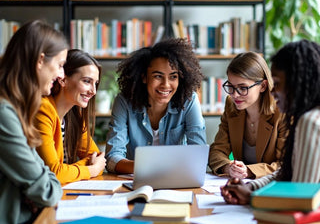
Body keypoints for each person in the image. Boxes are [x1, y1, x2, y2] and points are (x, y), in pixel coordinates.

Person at [220, 40, 320, 224]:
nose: (274, 91)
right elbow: (289, 173)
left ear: (298, 82)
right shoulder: (308, 117)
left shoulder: (311, 122)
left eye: (278, 83)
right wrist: (252, 187)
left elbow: (300, 199)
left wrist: (253, 197)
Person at [0, 20, 67, 224]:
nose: (61, 76)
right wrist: (39, 187)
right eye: (59, 65)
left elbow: (42, 176)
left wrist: (39, 185)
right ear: (40, 61)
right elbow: (46, 191)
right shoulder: (4, 114)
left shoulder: (17, 110)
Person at [105, 38, 207, 174]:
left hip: (176, 180)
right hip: (136, 180)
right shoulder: (124, 102)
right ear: (144, 77)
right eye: (158, 76)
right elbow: (112, 158)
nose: (166, 84)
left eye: (173, 77)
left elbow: (198, 153)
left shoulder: (188, 100)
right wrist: (148, 168)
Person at [209, 51, 287, 179]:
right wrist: (228, 167)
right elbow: (217, 150)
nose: (234, 95)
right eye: (231, 87)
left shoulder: (282, 112)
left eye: (243, 88)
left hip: (272, 188)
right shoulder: (231, 106)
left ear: (263, 86)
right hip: (241, 186)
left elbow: (285, 164)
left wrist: (249, 171)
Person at [35, 49, 106, 185]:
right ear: (63, 79)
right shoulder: (43, 110)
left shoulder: (74, 115)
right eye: (86, 81)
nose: (93, 91)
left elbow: (98, 158)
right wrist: (91, 169)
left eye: (95, 84)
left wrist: (92, 167)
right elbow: (54, 173)